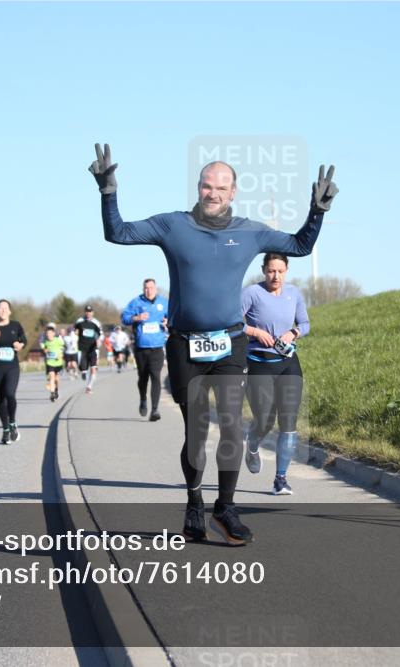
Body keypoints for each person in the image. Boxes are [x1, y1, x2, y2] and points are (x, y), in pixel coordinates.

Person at [90, 143, 337, 545]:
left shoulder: (250, 231)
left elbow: (299, 246)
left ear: (234, 192)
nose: (213, 193)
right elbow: (117, 233)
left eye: (221, 187)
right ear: (198, 187)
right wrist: (108, 191)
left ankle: (225, 507)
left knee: (231, 427)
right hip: (185, 345)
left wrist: (318, 213)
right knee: (195, 430)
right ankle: (193, 502)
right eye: (207, 186)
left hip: (230, 343)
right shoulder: (173, 226)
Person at [241, 253, 310, 495]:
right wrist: (255, 332)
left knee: (289, 423)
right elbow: (231, 321)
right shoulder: (251, 293)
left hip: (288, 363)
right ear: (264, 270)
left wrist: (293, 333)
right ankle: (252, 442)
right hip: (259, 362)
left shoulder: (294, 293)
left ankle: (280, 479)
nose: (276, 276)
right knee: (265, 420)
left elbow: (305, 324)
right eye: (271, 271)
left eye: (280, 271)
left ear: (287, 270)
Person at [122, 278, 169, 420]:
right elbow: (124, 318)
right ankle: (143, 399)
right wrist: (137, 317)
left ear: (156, 288)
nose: (149, 290)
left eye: (151, 288)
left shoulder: (164, 303)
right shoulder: (136, 302)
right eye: (146, 288)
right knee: (143, 377)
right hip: (141, 347)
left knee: (156, 376)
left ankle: (155, 410)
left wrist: (168, 321)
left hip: (157, 347)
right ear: (143, 289)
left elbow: (173, 317)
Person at [0, 299, 26, 444]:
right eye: (0, 308)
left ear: (9, 311)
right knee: (0, 400)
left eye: (5, 308)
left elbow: (23, 340)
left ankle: (13, 422)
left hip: (12, 367)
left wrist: (20, 345)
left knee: (10, 393)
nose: (3, 311)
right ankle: (5, 430)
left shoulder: (16, 325)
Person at [73, 305, 103, 394]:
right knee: (83, 368)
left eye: (90, 312)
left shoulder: (96, 323)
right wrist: (75, 336)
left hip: (92, 348)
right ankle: (83, 372)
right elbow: (74, 332)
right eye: (87, 311)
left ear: (92, 313)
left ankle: (89, 386)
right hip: (82, 348)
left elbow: (100, 334)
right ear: (85, 312)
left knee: (93, 368)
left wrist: (99, 341)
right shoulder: (79, 321)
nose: (88, 313)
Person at [41, 323, 65, 401]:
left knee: (57, 379)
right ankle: (52, 394)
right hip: (50, 362)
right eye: (47, 333)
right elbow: (43, 346)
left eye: (50, 333)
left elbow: (63, 347)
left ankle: (56, 389)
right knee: (52, 376)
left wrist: (60, 354)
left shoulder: (58, 340)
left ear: (53, 333)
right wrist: (45, 350)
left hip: (58, 363)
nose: (48, 335)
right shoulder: (45, 341)